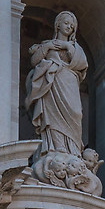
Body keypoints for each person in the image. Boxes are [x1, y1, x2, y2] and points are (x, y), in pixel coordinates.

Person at [26, 10, 90, 155]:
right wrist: (47, 47)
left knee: (76, 113)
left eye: (72, 26)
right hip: (52, 83)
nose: (69, 27)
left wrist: (67, 46)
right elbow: (34, 60)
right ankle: (57, 146)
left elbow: (82, 64)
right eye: (66, 23)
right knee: (52, 116)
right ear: (58, 25)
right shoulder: (47, 44)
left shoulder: (74, 47)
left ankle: (73, 149)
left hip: (70, 82)